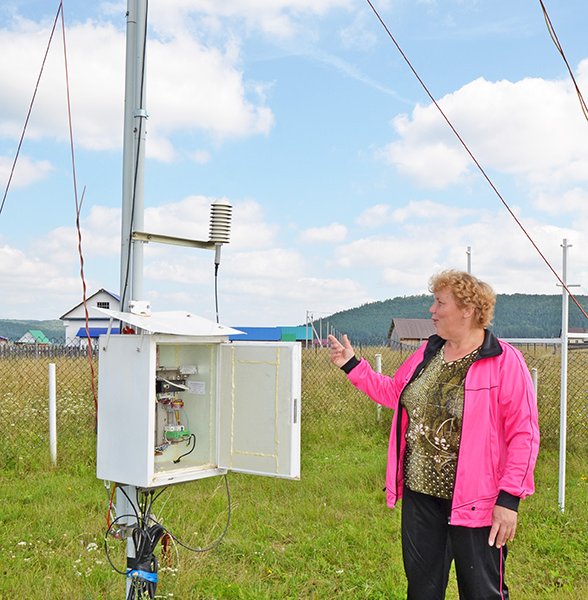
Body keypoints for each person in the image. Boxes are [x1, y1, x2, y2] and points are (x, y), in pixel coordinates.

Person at [328, 269, 539, 600]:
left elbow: (524, 434)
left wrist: (509, 499)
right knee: (422, 590)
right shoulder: (428, 353)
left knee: (482, 592)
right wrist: (353, 365)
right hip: (421, 497)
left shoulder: (504, 361)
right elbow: (395, 394)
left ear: (468, 309)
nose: (432, 310)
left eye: (440, 303)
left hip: (477, 503)